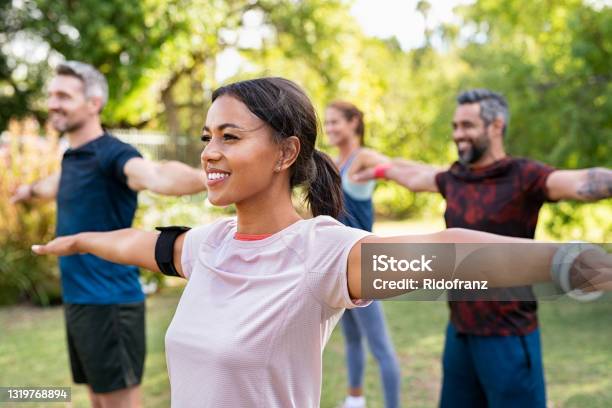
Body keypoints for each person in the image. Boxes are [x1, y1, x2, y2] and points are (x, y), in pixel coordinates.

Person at [31, 78, 612, 407]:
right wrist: (82, 239)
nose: (209, 150)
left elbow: (448, 254)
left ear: (286, 153)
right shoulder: (210, 245)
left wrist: (573, 264)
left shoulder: (321, 254)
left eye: (230, 136)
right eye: (208, 136)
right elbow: (146, 244)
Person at [352, 89, 612, 407]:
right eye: (455, 126)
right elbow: (414, 175)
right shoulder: (455, 177)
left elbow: (583, 182)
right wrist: (378, 170)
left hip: (509, 337)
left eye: (467, 125)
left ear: (495, 126)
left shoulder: (524, 176)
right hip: (460, 333)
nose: (458, 134)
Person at [11, 61, 207, 408]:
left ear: (94, 102)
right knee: (98, 400)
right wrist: (26, 191)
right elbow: (53, 186)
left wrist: (210, 178)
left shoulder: (113, 154)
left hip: (110, 303)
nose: (53, 102)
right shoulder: (74, 157)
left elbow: (156, 176)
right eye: (52, 94)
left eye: (63, 95)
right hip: (80, 302)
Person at [325, 101, 400, 408]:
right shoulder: (333, 162)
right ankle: (354, 400)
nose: (329, 129)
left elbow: (395, 168)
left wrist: (383, 172)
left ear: (354, 122)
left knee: (380, 346)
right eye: (326, 123)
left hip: (365, 265)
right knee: (353, 339)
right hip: (339, 266)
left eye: (335, 123)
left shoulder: (362, 158)